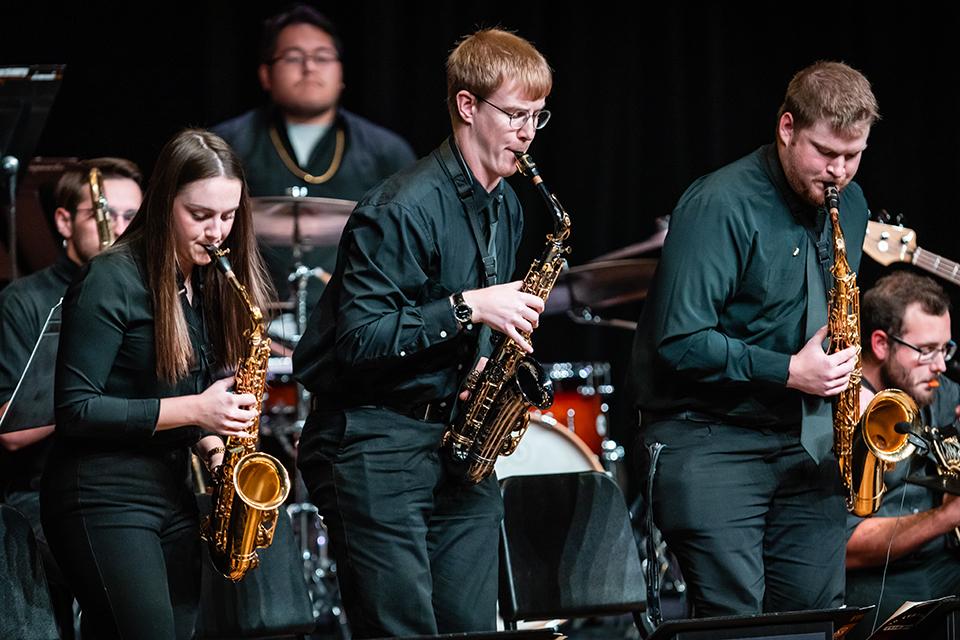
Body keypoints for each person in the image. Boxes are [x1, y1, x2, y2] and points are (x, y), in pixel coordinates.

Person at [293, 28, 552, 638]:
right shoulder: (401, 207)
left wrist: (488, 360)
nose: (528, 133)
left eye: (538, 117)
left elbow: (483, 320)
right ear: (468, 106)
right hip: (375, 443)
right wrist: (467, 309)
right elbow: (358, 341)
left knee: (470, 626)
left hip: (459, 444)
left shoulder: (507, 204)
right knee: (401, 628)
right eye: (515, 114)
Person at [630, 61, 877, 617]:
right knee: (733, 622)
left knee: (815, 618)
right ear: (787, 128)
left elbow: (835, 312)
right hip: (711, 437)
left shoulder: (852, 205)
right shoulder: (720, 204)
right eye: (825, 153)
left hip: (805, 441)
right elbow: (680, 341)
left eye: (853, 155)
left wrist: (846, 379)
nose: (839, 172)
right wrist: (789, 371)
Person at [39, 129, 273, 640]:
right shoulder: (111, 277)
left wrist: (217, 453)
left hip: (171, 489)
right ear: (165, 202)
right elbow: (77, 411)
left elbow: (188, 399)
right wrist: (197, 411)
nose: (217, 232)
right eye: (200, 215)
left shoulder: (206, 280)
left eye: (228, 216)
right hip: (101, 495)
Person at [0, 156, 142, 639]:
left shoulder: (147, 294)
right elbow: (12, 432)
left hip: (130, 482)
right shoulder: (25, 300)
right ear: (64, 221)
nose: (118, 230)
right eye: (105, 216)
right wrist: (92, 399)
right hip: (46, 490)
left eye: (131, 217)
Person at [213, 5, 416, 305]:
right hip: (249, 320)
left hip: (352, 323)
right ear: (265, 74)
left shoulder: (387, 152)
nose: (309, 67)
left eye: (322, 57)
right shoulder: (225, 144)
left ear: (341, 74)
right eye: (293, 57)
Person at [844, 271, 960, 639]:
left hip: (941, 565)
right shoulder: (839, 413)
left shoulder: (935, 390)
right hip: (874, 582)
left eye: (946, 349)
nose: (940, 365)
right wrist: (947, 516)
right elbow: (845, 549)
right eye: (927, 351)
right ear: (880, 344)